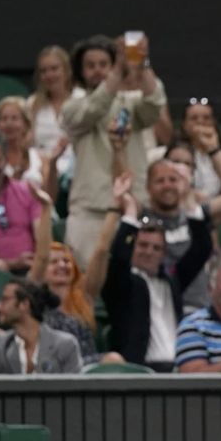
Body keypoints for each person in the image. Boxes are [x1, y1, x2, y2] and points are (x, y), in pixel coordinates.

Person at [62, 33, 167, 268]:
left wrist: (142, 63)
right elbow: (94, 108)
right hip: (90, 211)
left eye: (103, 64)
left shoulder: (130, 102)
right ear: (80, 71)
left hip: (132, 208)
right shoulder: (72, 107)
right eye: (90, 66)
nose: (98, 71)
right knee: (87, 282)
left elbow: (154, 104)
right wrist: (118, 71)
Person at [101, 173, 212, 372]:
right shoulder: (123, 284)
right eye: (142, 245)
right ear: (132, 247)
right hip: (142, 372)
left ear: (164, 253)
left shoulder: (171, 281)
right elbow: (118, 259)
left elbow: (202, 249)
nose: (149, 252)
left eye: (156, 248)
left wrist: (189, 202)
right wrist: (130, 214)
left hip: (180, 371)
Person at [145, 133, 221, 312]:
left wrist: (214, 150)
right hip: (163, 310)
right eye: (163, 178)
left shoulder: (199, 213)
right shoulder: (144, 219)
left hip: (203, 309)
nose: (169, 183)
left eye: (184, 167)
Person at [0, 278, 82, 374]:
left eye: (5, 299)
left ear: (24, 304)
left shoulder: (65, 345)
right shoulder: (2, 344)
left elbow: (75, 390)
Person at [0, 129, 43, 273]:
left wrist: (36, 261)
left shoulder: (26, 191)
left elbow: (42, 238)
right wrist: (11, 263)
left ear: (5, 160)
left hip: (31, 271)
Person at [27, 45, 81, 182]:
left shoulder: (82, 99)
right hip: (41, 165)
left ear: (67, 70)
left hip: (76, 164)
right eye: (43, 71)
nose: (49, 75)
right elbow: (28, 142)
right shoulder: (33, 104)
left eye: (54, 69)